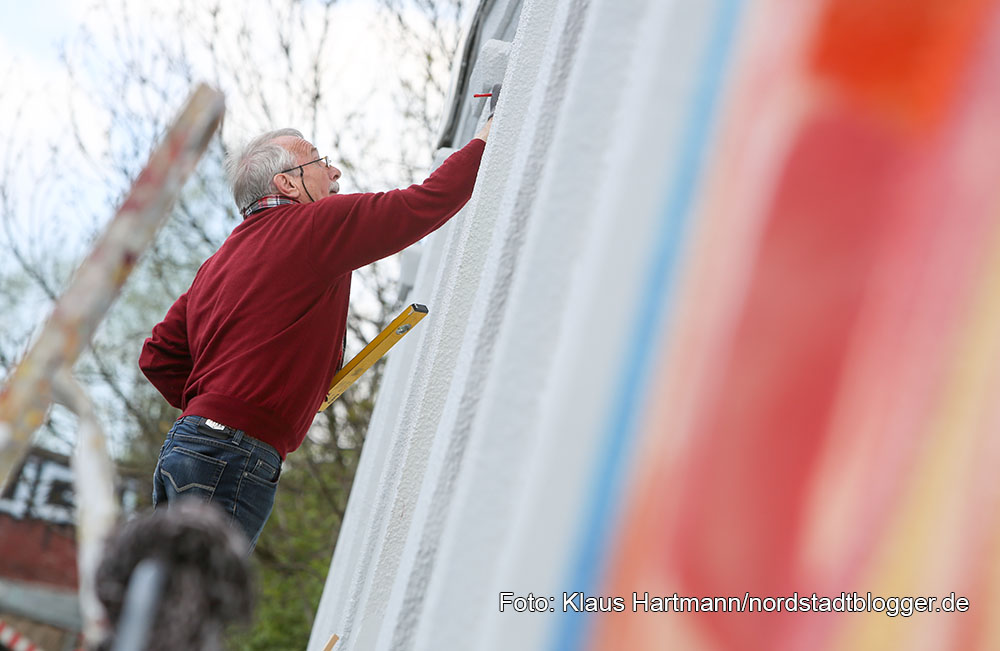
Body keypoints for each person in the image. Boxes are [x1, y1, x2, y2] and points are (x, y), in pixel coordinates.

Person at [139, 118, 492, 550]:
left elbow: (158, 355)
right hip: (230, 454)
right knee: (196, 589)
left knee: (169, 584)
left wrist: (215, 404)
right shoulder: (313, 225)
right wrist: (483, 140)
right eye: (319, 161)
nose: (334, 171)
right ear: (287, 183)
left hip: (186, 446)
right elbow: (423, 203)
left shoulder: (217, 264)